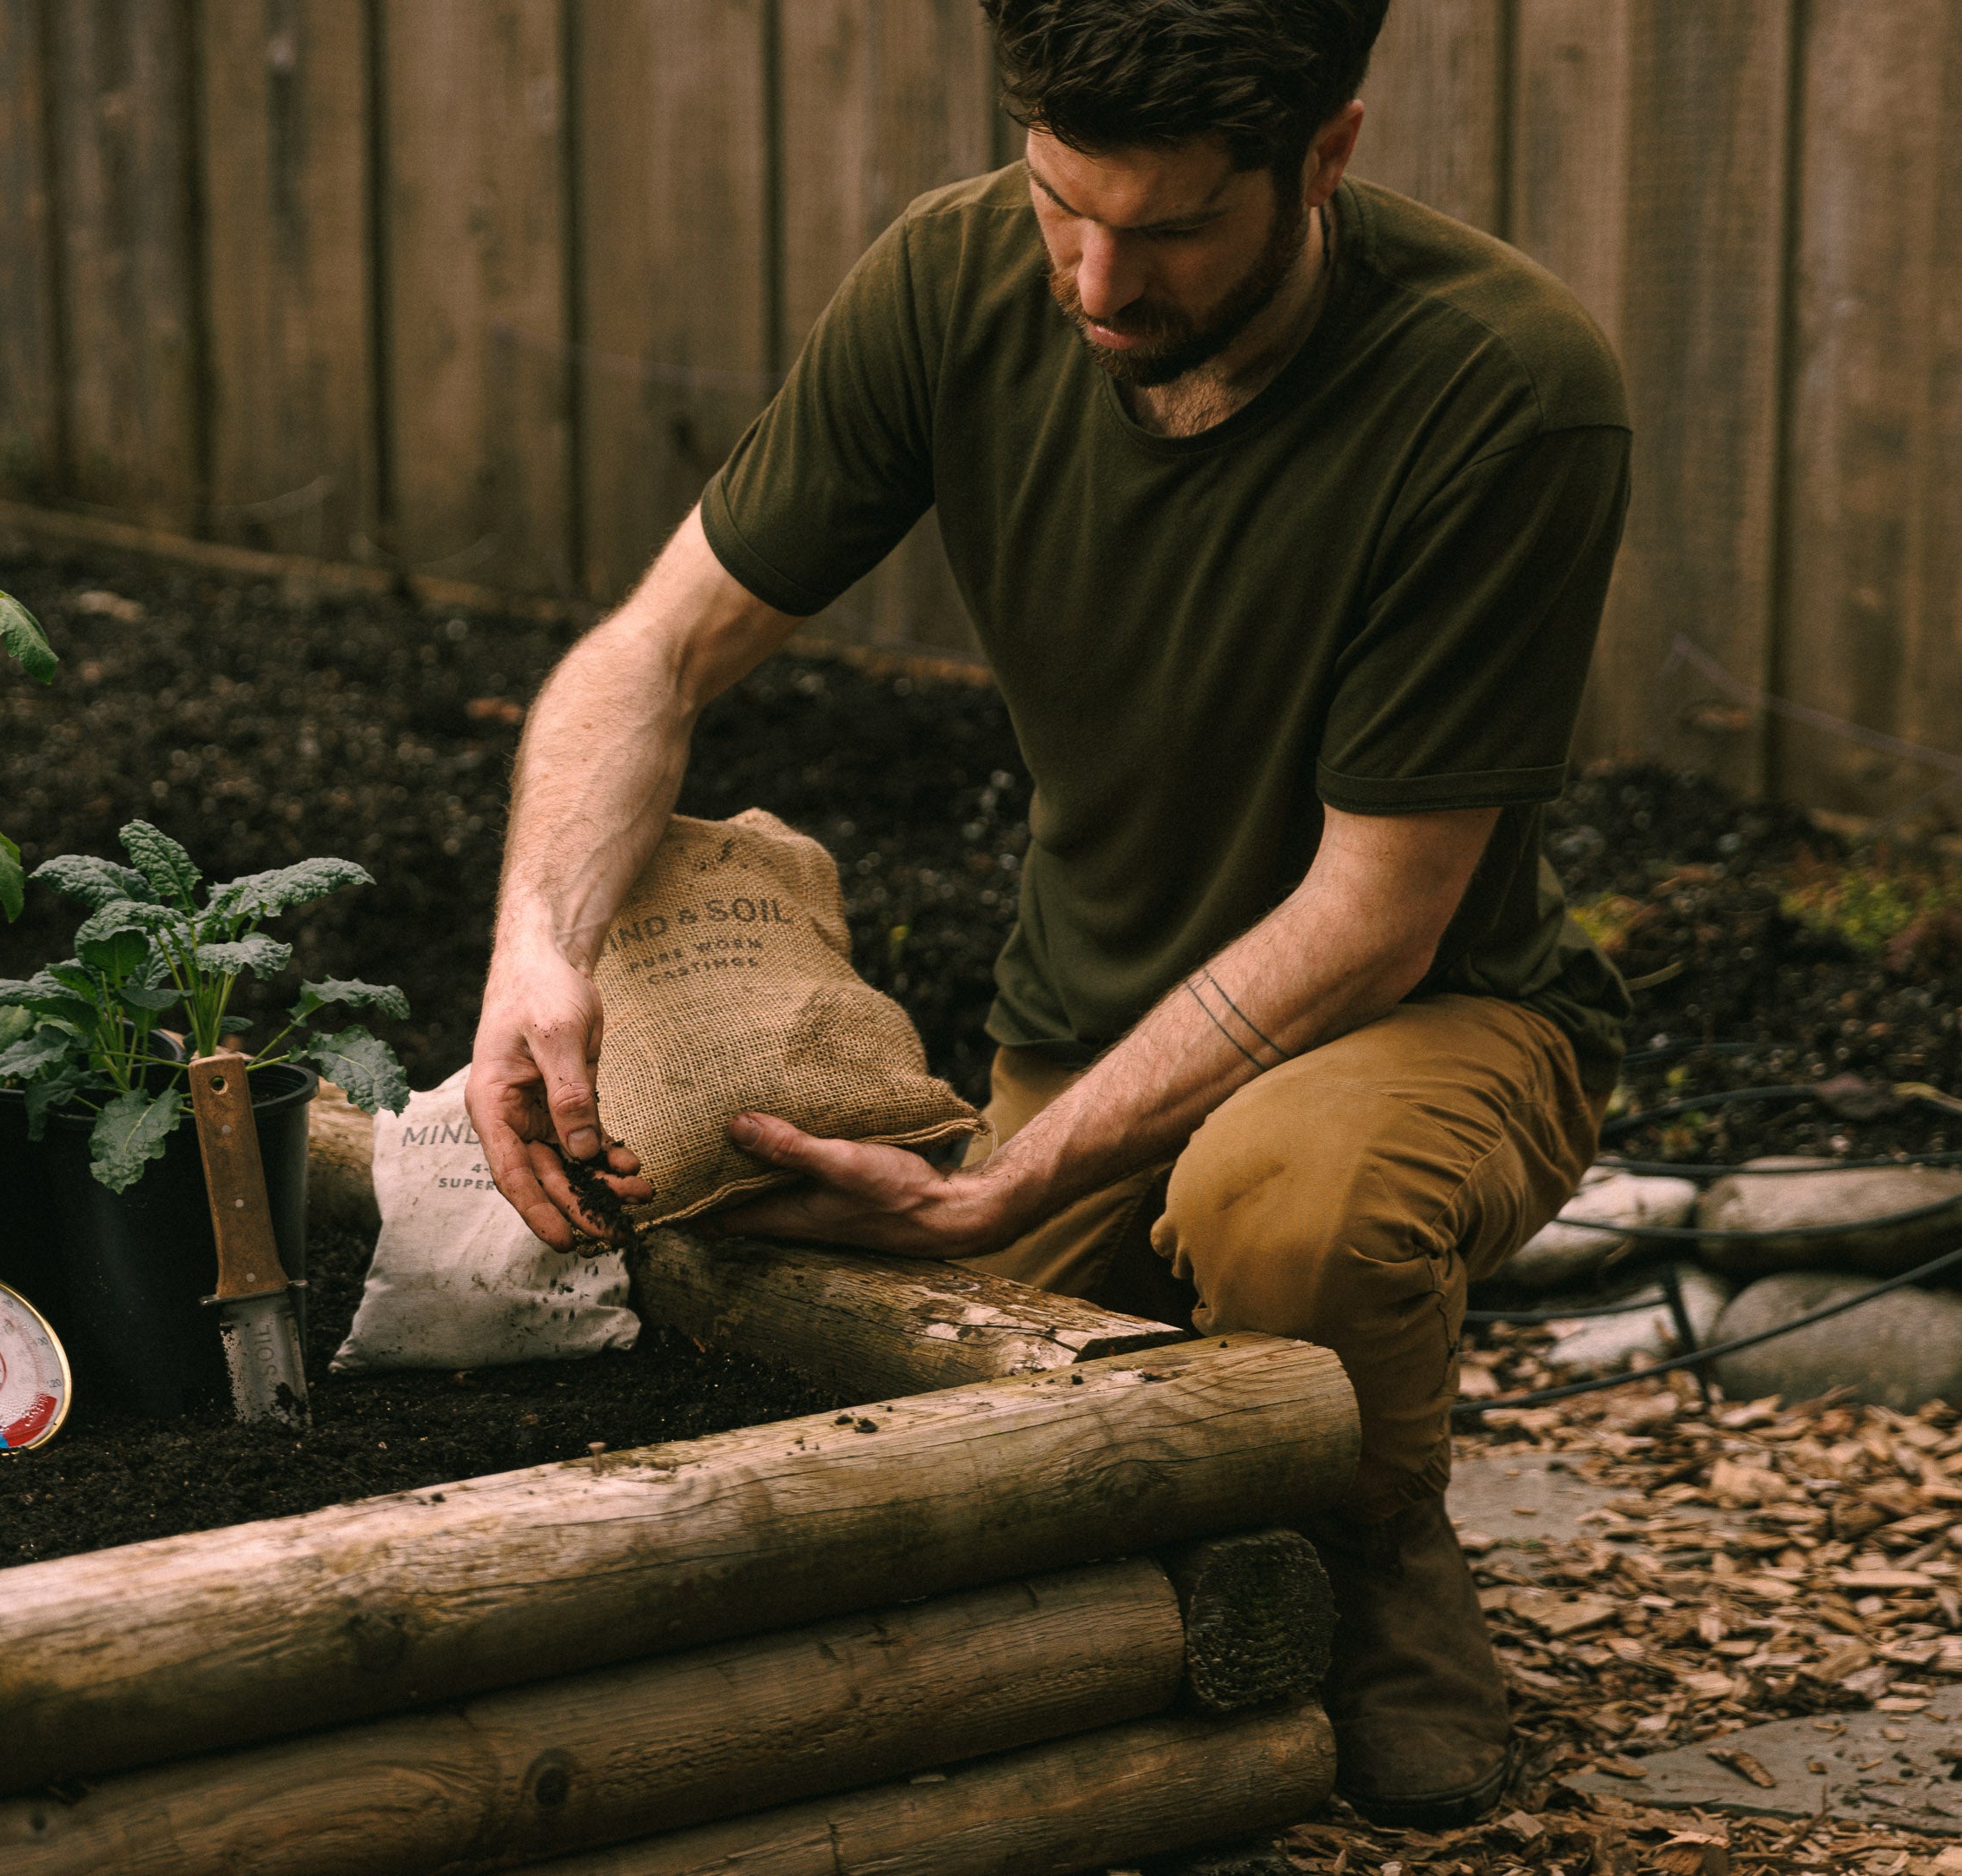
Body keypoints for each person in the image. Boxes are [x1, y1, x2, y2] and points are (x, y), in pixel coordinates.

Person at [466, 0, 1632, 1831]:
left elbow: (1371, 916)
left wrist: (1009, 1183)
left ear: (1320, 159)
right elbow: (654, 650)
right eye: (1053, 202)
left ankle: (1383, 1547)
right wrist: (534, 950)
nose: (1093, 279)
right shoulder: (947, 282)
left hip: (1414, 1025)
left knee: (1283, 1207)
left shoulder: (1498, 388)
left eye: (1165, 231)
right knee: (852, 1411)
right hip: (1074, 1029)